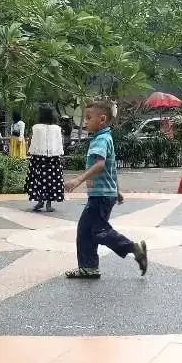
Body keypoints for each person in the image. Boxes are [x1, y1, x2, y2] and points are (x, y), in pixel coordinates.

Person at [63, 101, 148, 279]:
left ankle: (133, 248)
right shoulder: (105, 137)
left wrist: (78, 179)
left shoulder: (100, 139)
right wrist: (116, 190)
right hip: (103, 194)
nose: (85, 121)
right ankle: (89, 268)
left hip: (100, 196)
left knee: (99, 231)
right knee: (85, 230)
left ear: (102, 119)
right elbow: (112, 167)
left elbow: (101, 164)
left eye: (88, 118)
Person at [26, 105, 65, 212]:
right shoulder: (57, 129)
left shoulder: (36, 127)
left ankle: (40, 201)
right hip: (53, 159)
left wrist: (30, 151)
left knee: (38, 179)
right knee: (52, 180)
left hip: (38, 159)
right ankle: (49, 204)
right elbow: (60, 142)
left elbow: (30, 140)